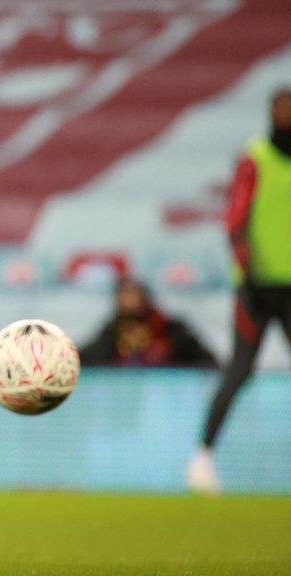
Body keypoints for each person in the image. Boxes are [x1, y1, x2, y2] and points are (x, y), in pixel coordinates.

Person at [187, 86, 291, 496]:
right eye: (281, 108)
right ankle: (202, 457)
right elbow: (235, 216)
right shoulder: (255, 158)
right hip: (256, 286)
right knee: (240, 369)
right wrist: (245, 269)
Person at [79, 277, 217, 368]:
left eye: (133, 294)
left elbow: (209, 362)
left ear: (146, 298)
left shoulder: (172, 330)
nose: (129, 300)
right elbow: (84, 357)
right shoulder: (111, 333)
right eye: (125, 295)